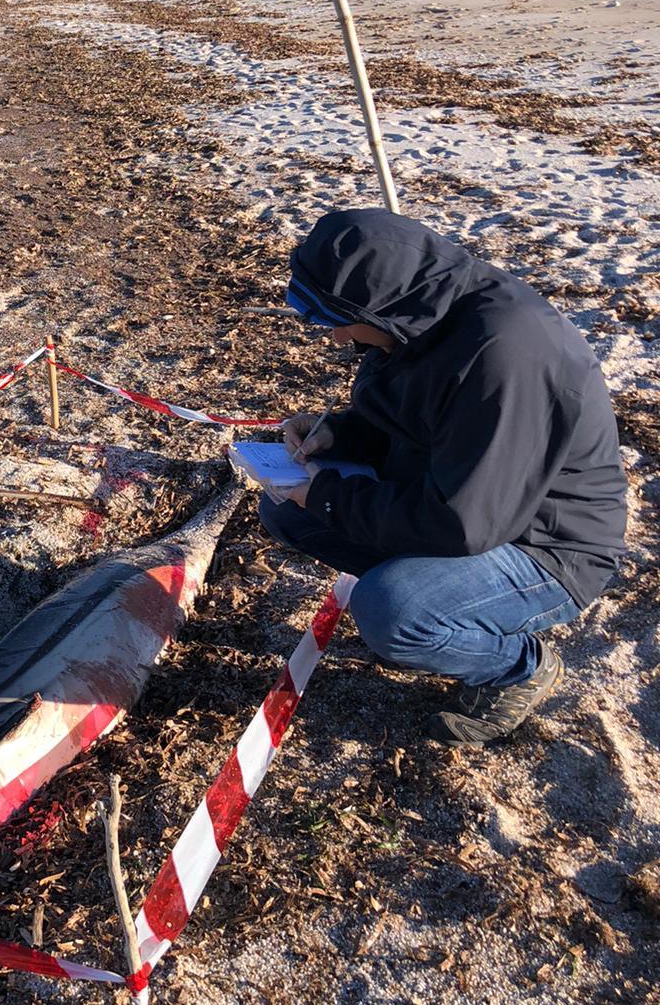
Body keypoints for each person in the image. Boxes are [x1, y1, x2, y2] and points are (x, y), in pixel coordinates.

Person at [263, 209, 627, 747]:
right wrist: (337, 436)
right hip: (462, 501)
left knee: (391, 611)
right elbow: (410, 423)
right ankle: (438, 611)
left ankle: (518, 667)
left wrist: (331, 497)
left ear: (376, 304)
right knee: (284, 507)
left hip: (548, 546)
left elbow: (461, 524)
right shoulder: (418, 316)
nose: (336, 337)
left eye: (334, 319)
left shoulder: (504, 359)